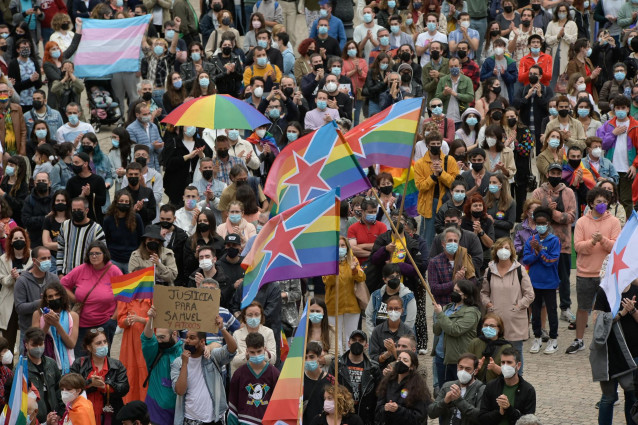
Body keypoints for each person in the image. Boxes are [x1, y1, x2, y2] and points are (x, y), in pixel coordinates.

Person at [568, 187, 620, 355]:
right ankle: (579, 340)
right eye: (599, 202)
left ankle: (608, 341)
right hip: (585, 273)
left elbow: (616, 247)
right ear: (591, 203)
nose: (602, 205)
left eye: (605, 202)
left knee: (607, 310)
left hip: (607, 274)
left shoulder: (614, 222)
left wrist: (602, 240)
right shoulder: (582, 222)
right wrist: (592, 242)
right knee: (583, 308)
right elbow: (578, 247)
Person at [531, 163, 577, 323]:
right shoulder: (538, 192)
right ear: (547, 173)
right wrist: (546, 208)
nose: (555, 175)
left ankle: (565, 308)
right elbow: (533, 215)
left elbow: (571, 217)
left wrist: (552, 213)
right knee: (542, 277)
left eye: (558, 172)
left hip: (563, 244)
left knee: (564, 278)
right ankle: (540, 308)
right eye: (553, 172)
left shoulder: (569, 192)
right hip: (541, 244)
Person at [61, 241, 122, 356]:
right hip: (81, 324)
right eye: (91, 253)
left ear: (105, 254)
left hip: (105, 324)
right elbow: (62, 284)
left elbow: (123, 298)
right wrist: (74, 298)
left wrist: (113, 319)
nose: (94, 256)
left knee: (101, 358)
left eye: (97, 253)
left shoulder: (114, 271)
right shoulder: (81, 269)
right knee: (81, 359)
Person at [171, 319, 237, 425]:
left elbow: (232, 349)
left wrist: (222, 329)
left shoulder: (212, 357)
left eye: (192, 338)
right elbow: (179, 391)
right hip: (190, 420)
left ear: (202, 341)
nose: (187, 340)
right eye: (186, 337)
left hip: (214, 419)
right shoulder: (178, 363)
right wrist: (184, 364)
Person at [481, 237, 534, 367]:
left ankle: (517, 381)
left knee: (515, 355)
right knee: (495, 355)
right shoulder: (489, 271)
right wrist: (488, 303)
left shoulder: (519, 270)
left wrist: (518, 306)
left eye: (506, 248)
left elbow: (530, 294)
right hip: (495, 322)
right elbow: (484, 293)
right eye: (500, 248)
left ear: (512, 251)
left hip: (514, 322)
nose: (503, 251)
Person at [70, 327, 130, 425]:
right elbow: (70, 387)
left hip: (111, 415)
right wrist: (89, 383)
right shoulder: (79, 363)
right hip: (84, 414)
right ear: (89, 347)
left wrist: (105, 386)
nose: (103, 345)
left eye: (105, 342)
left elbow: (124, 388)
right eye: (98, 343)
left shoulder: (117, 365)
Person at [522, 206, 561, 355]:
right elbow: (526, 259)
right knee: (535, 312)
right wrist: (537, 252)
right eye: (537, 223)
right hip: (534, 282)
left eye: (543, 223)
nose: (540, 226)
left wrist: (540, 251)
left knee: (551, 311)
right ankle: (537, 337)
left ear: (549, 223)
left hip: (550, 282)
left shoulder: (554, 240)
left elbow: (551, 261)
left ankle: (554, 339)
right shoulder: (531, 240)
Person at [414, 131, 460, 247]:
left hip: (447, 202)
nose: (435, 146)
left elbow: (456, 184)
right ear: (428, 145)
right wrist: (433, 176)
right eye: (433, 144)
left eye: (438, 143)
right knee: (427, 238)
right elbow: (420, 186)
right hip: (429, 204)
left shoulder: (449, 160)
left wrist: (441, 173)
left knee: (450, 234)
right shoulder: (420, 164)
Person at [433, 279, 482, 385]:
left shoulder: (472, 312)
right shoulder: (448, 307)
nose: (454, 293)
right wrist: (439, 315)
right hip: (441, 356)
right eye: (454, 290)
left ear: (466, 295)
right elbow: (436, 331)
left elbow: (455, 330)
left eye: (458, 291)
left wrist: (441, 315)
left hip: (457, 359)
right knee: (443, 389)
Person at [598, 94, 638, 218]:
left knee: (626, 200)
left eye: (623, 108)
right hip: (611, 169)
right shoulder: (607, 125)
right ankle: (609, 224)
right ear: (613, 109)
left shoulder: (635, 126)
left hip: (628, 170)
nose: (620, 110)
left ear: (628, 109)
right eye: (618, 108)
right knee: (609, 198)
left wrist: (634, 165)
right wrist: (613, 134)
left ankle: (626, 228)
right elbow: (601, 145)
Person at [141, 305, 182, 425]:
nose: (159, 341)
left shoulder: (185, 350)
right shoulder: (154, 352)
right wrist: (150, 320)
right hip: (156, 411)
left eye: (162, 337)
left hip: (179, 411)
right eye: (157, 337)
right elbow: (147, 339)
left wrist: (208, 348)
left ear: (174, 334)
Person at [328, 330, 380, 425]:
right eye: (354, 340)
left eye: (361, 341)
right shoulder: (336, 365)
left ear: (366, 345)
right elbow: (329, 389)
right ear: (349, 343)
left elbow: (378, 395)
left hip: (365, 416)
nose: (357, 343)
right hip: (342, 414)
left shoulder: (374, 368)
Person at [323, 236, 365, 353]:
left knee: (351, 337)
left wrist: (354, 270)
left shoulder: (353, 260)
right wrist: (334, 267)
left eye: (343, 246)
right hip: (333, 306)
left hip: (352, 305)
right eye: (338, 246)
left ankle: (350, 360)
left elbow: (362, 278)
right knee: (335, 339)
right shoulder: (328, 262)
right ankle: (337, 363)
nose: (340, 248)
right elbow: (327, 281)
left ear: (347, 247)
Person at [227, 331, 280, 425]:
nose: (256, 355)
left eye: (259, 351)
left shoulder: (274, 373)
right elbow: (233, 406)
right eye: (252, 352)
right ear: (247, 351)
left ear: (265, 349)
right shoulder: (238, 374)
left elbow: (279, 406)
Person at [478, 347, 536, 423]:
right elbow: (482, 417)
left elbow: (529, 422)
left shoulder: (528, 390)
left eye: (509, 362)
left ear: (518, 365)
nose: (505, 366)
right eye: (503, 362)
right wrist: (499, 413)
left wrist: (509, 409)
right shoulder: (491, 386)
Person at [30, 281, 78, 374]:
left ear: (62, 296)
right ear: (46, 299)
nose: (54, 298)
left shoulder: (72, 316)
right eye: (50, 296)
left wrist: (57, 324)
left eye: (57, 295)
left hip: (67, 364)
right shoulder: (38, 314)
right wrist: (47, 324)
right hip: (45, 362)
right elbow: (35, 341)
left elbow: (71, 344)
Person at [427, 352, 485, 424]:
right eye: (461, 367)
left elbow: (480, 417)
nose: (463, 371)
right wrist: (445, 401)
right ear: (457, 367)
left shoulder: (481, 389)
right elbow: (431, 413)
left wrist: (459, 400)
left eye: (468, 369)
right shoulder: (448, 386)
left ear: (475, 371)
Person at [375, 350, 430, 424]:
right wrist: (385, 408)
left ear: (411, 367)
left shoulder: (418, 387)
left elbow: (419, 416)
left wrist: (398, 409)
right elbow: (378, 410)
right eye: (399, 359)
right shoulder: (387, 381)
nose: (400, 362)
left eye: (405, 360)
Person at [14, 246, 59, 336]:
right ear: (34, 261)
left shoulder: (54, 278)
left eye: (49, 258)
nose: (47, 261)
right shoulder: (22, 281)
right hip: (29, 331)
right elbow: (19, 308)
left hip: (51, 330)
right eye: (43, 258)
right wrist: (40, 303)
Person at [23, 327, 64, 423]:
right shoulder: (21, 369)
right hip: (35, 420)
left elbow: (60, 389)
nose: (38, 348)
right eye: (34, 345)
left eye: (40, 344)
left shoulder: (51, 363)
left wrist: (60, 413)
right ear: (26, 345)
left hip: (55, 417)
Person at [56, 197, 105, 277]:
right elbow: (60, 250)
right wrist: (60, 273)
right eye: (74, 210)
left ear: (87, 210)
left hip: (87, 277)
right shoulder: (65, 226)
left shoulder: (96, 229)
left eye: (79, 210)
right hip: (67, 275)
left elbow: (102, 255)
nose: (76, 212)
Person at [117, 292, 151, 404]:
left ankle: (148, 407)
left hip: (149, 340)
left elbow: (159, 319)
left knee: (147, 372)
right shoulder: (126, 296)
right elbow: (120, 320)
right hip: (130, 343)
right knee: (131, 373)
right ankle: (130, 405)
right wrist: (127, 321)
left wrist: (140, 319)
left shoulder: (153, 295)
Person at [365, 263, 417, 332]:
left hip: (401, 338)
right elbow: (369, 317)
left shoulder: (408, 297)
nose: (395, 279)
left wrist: (398, 339)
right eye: (391, 277)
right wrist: (374, 336)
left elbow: (410, 322)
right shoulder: (375, 295)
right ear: (384, 279)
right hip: (378, 337)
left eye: (397, 276)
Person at [103, 190, 144, 274]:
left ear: (130, 203)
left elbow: (141, 238)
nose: (124, 203)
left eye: (126, 201)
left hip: (132, 260)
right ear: (116, 202)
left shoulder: (136, 218)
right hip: (114, 260)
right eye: (121, 201)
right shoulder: (108, 219)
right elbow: (105, 239)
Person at [369, 295, 415, 370]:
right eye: (390, 308)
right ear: (386, 310)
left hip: (403, 371)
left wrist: (394, 350)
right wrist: (386, 355)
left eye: (396, 309)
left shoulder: (408, 332)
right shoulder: (377, 331)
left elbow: (412, 360)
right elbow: (373, 359)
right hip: (381, 372)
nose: (393, 311)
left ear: (402, 310)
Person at [467, 313, 512, 383]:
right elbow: (465, 367)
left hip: (497, 385)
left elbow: (511, 374)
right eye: (485, 325)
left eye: (492, 326)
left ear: (499, 329)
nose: (488, 328)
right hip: (476, 384)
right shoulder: (475, 343)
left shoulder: (506, 347)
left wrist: (495, 368)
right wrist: (475, 367)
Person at [65, 152, 107, 223]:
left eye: (76, 162)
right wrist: (80, 197)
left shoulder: (98, 180)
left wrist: (89, 194)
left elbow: (102, 201)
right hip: (76, 220)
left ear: (85, 164)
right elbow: (68, 201)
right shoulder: (71, 182)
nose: (74, 165)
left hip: (95, 219)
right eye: (73, 163)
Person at [303, 341, 336, 424]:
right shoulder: (299, 380)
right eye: (305, 358)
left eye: (311, 357)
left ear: (319, 357)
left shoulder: (331, 380)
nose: (308, 360)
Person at [545, 3, 577, 87]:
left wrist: (564, 35)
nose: (561, 13)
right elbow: (547, 39)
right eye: (560, 11)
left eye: (563, 11)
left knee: (565, 80)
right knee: (552, 79)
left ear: (567, 12)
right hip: (553, 55)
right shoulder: (551, 23)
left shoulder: (572, 24)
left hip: (566, 56)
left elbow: (573, 40)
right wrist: (557, 36)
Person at [461, 193, 495, 272]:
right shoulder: (463, 221)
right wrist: (473, 234)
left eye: (480, 205)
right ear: (469, 208)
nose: (478, 208)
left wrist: (481, 231)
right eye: (475, 206)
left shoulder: (487, 221)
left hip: (485, 257)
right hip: (467, 257)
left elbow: (490, 244)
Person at [347, 199, 388, 264]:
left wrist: (362, 246)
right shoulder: (353, 228)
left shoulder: (382, 226)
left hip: (377, 265)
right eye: (370, 212)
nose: (373, 214)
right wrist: (373, 254)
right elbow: (353, 249)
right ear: (362, 211)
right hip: (360, 266)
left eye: (375, 212)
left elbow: (383, 247)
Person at [127, 104, 164, 171]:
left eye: (149, 113)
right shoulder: (131, 129)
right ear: (137, 115)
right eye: (144, 114)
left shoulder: (154, 127)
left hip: (155, 166)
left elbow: (160, 145)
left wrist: (160, 146)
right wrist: (153, 146)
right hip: (141, 168)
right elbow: (134, 150)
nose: (148, 116)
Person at [122, 162, 158, 227]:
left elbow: (153, 215)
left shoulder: (148, 192)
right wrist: (133, 210)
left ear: (140, 175)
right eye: (131, 174)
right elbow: (117, 214)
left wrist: (142, 209)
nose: (133, 176)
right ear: (126, 175)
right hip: (126, 227)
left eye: (136, 174)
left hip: (145, 229)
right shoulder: (121, 193)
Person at [22, 171, 54, 244]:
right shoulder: (29, 200)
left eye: (44, 181)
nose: (41, 182)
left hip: (53, 240)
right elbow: (26, 221)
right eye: (39, 181)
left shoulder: (56, 199)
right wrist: (45, 218)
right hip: (34, 241)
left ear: (49, 183)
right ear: (34, 183)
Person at [484, 173, 516, 241]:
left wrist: (493, 221)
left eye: (494, 182)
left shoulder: (511, 202)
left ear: (501, 185)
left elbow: (510, 224)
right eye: (490, 182)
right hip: (487, 238)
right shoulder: (484, 200)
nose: (491, 184)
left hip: (502, 239)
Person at [0, 156, 28, 226]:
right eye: (8, 164)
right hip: (3, 218)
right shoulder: (4, 180)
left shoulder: (23, 185)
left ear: (19, 168)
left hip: (16, 220)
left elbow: (20, 204)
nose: (8, 167)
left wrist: (4, 195)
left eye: (11, 165)